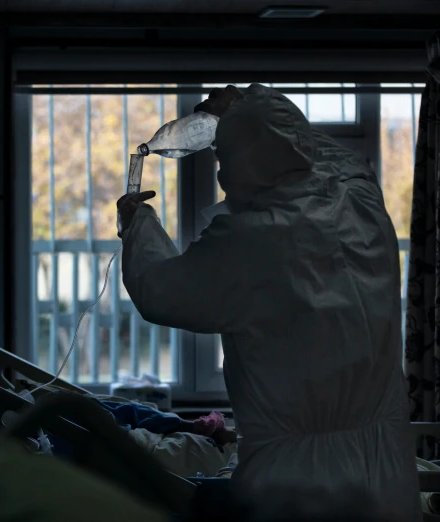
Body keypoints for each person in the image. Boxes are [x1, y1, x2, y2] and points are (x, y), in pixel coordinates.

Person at [117, 84, 421, 521]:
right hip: (390, 469)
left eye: (223, 155)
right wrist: (251, 111)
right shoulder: (360, 200)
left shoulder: (248, 242)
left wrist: (138, 221)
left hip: (300, 483)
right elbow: (326, 154)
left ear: (239, 164)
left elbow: (158, 289)